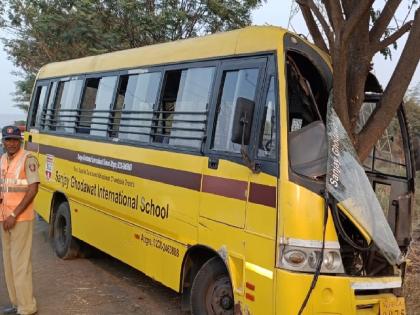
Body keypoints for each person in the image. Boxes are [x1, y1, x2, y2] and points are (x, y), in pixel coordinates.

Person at [0, 126, 38, 315]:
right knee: (8, 263)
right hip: (4, 219)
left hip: (20, 218)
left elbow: (33, 189)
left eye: (15, 140)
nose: (11, 143)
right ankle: (16, 304)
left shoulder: (28, 159)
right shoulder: (3, 159)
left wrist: (14, 215)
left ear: (20, 141)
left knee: (20, 263)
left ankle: (27, 308)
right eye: (8, 140)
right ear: (3, 142)